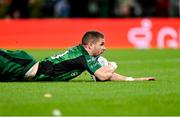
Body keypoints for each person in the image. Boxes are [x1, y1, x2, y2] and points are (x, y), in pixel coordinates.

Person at [0, 31, 155, 82]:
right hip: (22, 65)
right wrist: (113, 64)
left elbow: (106, 75)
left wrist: (133, 80)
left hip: (21, 74)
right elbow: (102, 75)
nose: (105, 48)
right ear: (90, 46)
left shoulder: (84, 57)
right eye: (102, 44)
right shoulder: (83, 57)